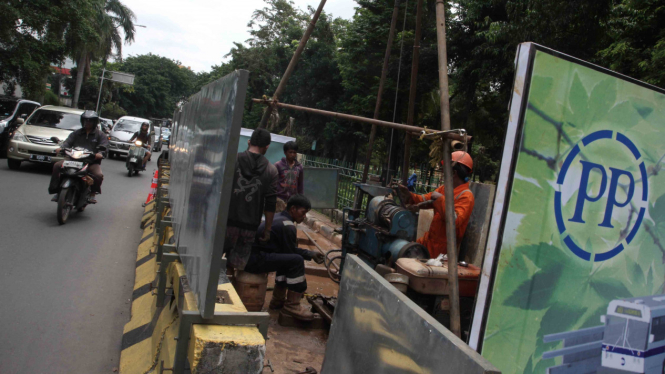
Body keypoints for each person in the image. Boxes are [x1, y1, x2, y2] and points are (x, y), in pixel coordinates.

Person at [244, 194, 325, 321]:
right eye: (303, 213)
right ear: (293, 209)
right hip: (255, 260)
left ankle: (277, 300)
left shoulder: (279, 217)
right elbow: (292, 252)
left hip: (252, 258)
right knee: (296, 261)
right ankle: (292, 305)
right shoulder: (287, 226)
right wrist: (309, 255)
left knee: (287, 258)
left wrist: (310, 254)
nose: (304, 217)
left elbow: (287, 251)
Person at [397, 151, 475, 258]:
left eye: (445, 170)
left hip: (443, 253)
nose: (443, 173)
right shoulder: (445, 189)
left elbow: (454, 221)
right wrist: (409, 196)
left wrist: (440, 199)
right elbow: (423, 199)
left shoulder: (466, 196)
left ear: (453, 172)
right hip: (429, 243)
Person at [225, 128, 279, 271]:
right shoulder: (271, 170)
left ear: (249, 142)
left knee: (213, 261)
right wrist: (267, 230)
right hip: (249, 228)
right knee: (234, 268)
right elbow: (270, 203)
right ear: (266, 147)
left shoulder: (232, 160)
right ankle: (228, 289)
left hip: (225, 223)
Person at [49, 110, 108, 203]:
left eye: (90, 121)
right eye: (85, 120)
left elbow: (104, 147)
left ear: (94, 122)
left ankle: (93, 193)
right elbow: (67, 143)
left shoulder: (100, 135)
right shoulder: (76, 133)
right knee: (57, 166)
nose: (87, 123)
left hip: (90, 162)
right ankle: (57, 190)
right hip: (73, 159)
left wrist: (100, 154)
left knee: (98, 175)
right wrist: (61, 148)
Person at [274, 141, 304, 213]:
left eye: (294, 152)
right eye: (290, 152)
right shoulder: (278, 165)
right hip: (279, 200)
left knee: (289, 222)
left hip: (292, 201)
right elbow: (273, 183)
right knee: (278, 221)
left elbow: (300, 184)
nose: (292, 154)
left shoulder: (299, 167)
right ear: (285, 152)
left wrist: (300, 199)